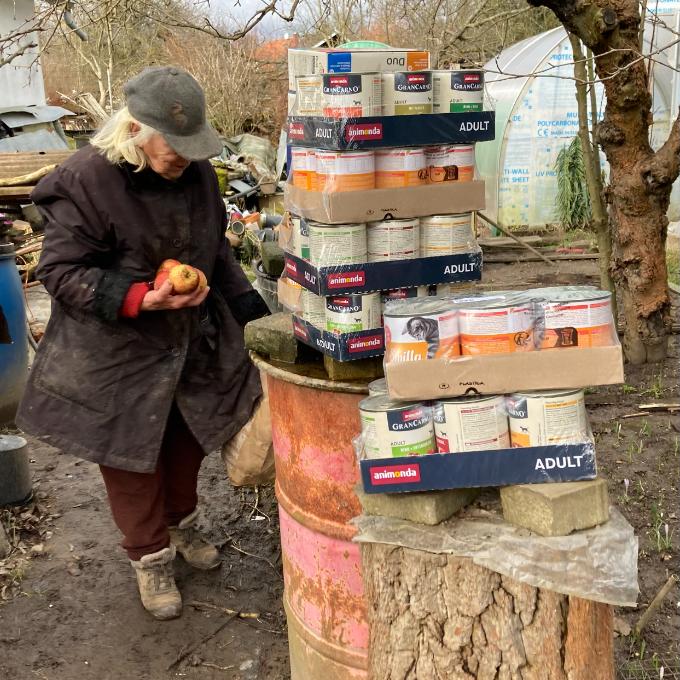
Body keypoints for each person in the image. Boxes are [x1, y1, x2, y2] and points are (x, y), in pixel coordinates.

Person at [16, 66, 270, 620]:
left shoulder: (198, 174)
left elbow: (217, 252)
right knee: (131, 457)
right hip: (116, 349)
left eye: (190, 146)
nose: (182, 156)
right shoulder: (86, 179)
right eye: (172, 145)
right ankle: (149, 557)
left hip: (187, 339)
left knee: (187, 441)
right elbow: (60, 271)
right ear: (134, 127)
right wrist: (137, 297)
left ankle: (181, 524)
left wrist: (254, 315)